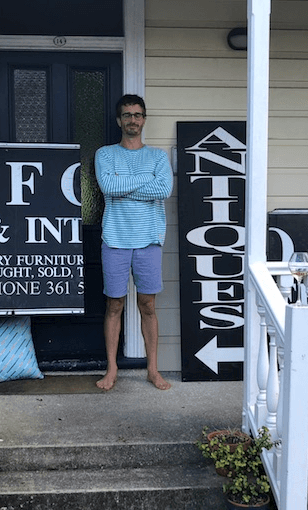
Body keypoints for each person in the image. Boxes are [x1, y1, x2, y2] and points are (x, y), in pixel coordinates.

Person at [94, 94, 174, 391]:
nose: (132, 120)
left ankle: (153, 370)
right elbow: (107, 186)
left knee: (148, 305)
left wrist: (123, 187)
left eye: (137, 115)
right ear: (119, 120)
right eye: (127, 115)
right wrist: (145, 182)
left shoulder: (157, 157)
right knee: (114, 304)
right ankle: (112, 369)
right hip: (115, 237)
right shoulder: (105, 154)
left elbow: (164, 188)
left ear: (144, 119)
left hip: (149, 239)